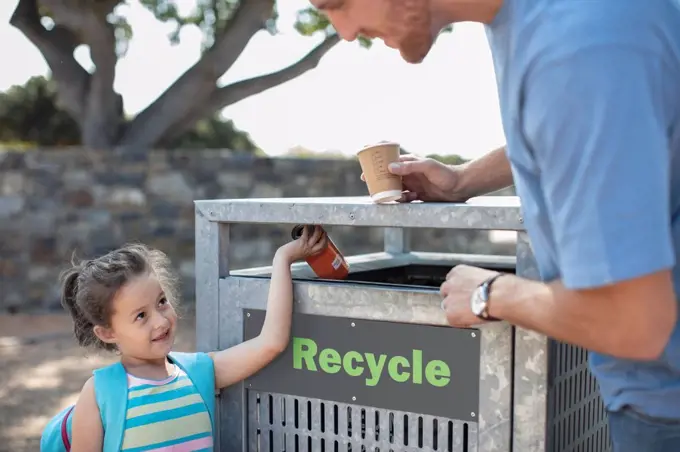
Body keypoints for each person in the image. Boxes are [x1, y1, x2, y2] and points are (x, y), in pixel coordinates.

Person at [310, 0, 680, 450]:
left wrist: (489, 294)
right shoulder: (559, 24)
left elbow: (634, 321)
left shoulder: (578, 47)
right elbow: (586, 119)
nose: (344, 31)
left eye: (335, 3)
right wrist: (464, 179)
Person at [51, 226, 327, 451]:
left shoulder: (198, 372)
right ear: (108, 332)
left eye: (161, 301)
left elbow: (271, 342)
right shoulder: (99, 392)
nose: (160, 320)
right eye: (140, 316)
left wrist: (283, 259)